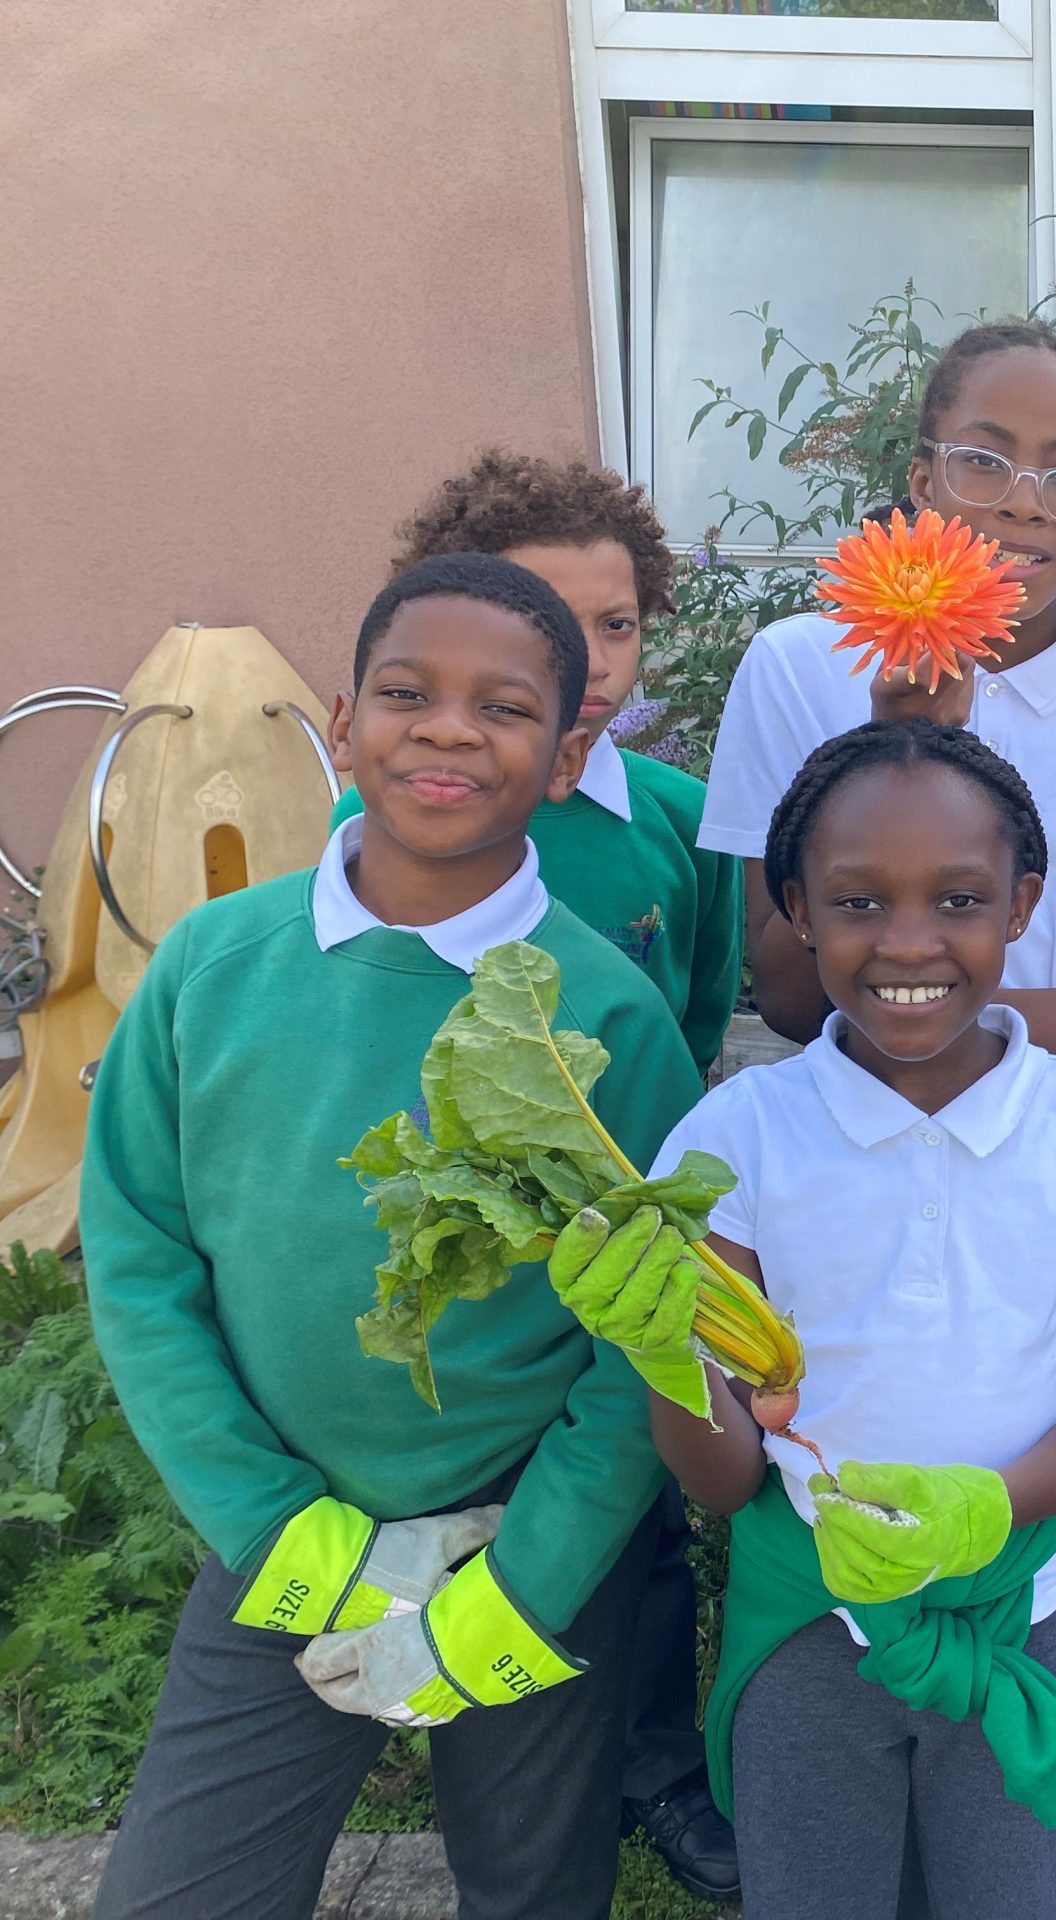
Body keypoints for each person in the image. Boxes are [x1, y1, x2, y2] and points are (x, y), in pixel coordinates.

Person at [696, 324, 1056, 1907]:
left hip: (1055, 1198)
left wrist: (957, 1018)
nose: (1022, 499)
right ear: (920, 471)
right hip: (838, 1180)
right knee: (824, 1488)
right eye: (984, 457)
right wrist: (901, 730)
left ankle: (1021, 1866)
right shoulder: (802, 664)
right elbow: (795, 995)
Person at [82, 555, 703, 1920]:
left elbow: (638, 1344)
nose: (447, 730)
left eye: (505, 707)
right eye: (407, 694)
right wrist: (278, 1532)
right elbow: (137, 1257)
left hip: (528, 1546)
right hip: (280, 1537)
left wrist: (528, 1577)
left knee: (534, 1890)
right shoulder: (209, 966)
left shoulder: (603, 1016)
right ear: (347, 720)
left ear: (562, 756)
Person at [575, 721, 1056, 1920]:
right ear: (796, 907)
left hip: (1021, 1596)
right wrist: (663, 1353)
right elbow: (720, 1475)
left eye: (957, 898)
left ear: (1023, 903)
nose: (909, 943)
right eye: (858, 900)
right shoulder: (735, 1140)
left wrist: (984, 1508)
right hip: (807, 1617)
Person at [334, 450, 747, 1899]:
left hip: (615, 1245)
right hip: (469, 1256)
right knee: (496, 1500)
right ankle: (478, 1723)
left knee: (637, 1520)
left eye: (618, 626)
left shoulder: (681, 818)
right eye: (548, 622)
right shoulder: (399, 808)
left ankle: (660, 1759)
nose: (587, 663)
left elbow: (691, 1016)